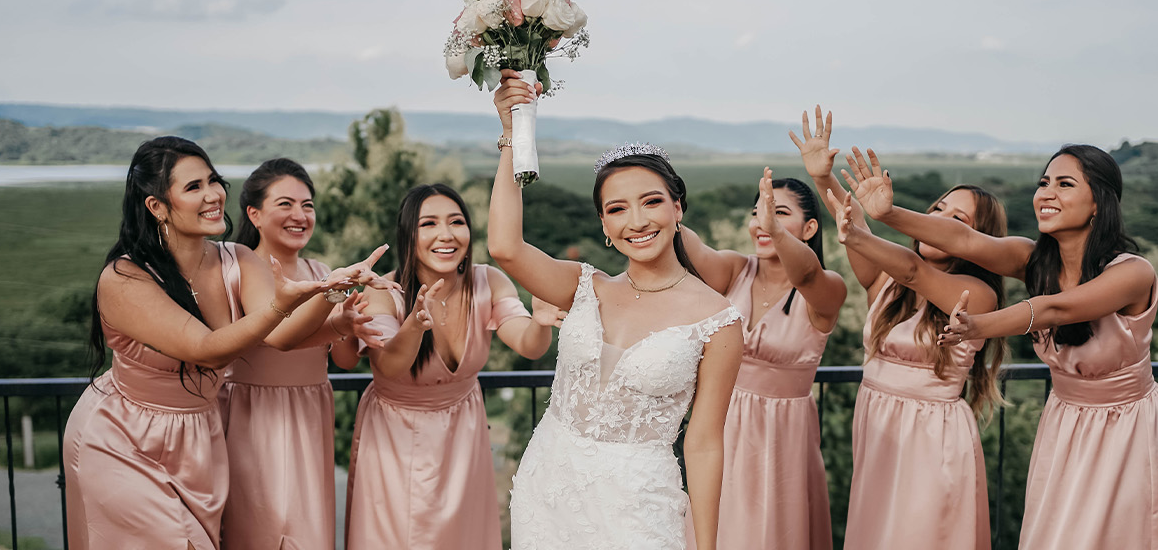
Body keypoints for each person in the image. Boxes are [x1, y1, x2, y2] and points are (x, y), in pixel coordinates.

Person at [853, 144, 1158, 549]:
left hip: (1129, 427)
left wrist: (979, 325)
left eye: (1065, 184)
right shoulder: (1034, 260)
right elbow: (964, 239)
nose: (1047, 193)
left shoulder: (1133, 272)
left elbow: (1057, 308)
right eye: (1044, 182)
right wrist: (887, 213)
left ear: (1099, 202)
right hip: (1065, 420)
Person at [63, 137, 364, 549]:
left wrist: (331, 291)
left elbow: (280, 336)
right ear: (156, 206)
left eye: (214, 180)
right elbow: (207, 348)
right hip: (124, 436)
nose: (213, 195)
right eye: (193, 187)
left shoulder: (238, 260)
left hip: (200, 437)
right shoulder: (124, 278)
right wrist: (282, 305)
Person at [488, 70, 744, 550]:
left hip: (639, 502)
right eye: (618, 209)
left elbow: (705, 443)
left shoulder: (718, 320)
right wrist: (511, 136)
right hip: (549, 484)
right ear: (605, 224)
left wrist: (707, 546)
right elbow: (504, 246)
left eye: (651, 202)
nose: (638, 221)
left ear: (677, 209)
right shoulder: (586, 287)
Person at [798, 109, 1009, 548]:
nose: (941, 221)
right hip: (876, 427)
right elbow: (850, 223)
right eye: (938, 209)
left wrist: (872, 225)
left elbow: (911, 268)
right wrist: (823, 179)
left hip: (932, 436)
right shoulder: (884, 282)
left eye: (959, 221)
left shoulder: (977, 294)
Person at [344, 182, 560, 549]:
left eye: (456, 221)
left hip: (464, 433)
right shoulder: (383, 291)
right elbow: (390, 366)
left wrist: (540, 322)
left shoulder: (488, 281)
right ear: (408, 234)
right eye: (428, 224)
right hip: (396, 435)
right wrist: (414, 324)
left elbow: (527, 344)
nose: (446, 234)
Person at [218, 158, 387, 550]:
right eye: (286, 204)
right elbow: (280, 337)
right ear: (254, 214)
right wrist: (333, 296)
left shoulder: (320, 270)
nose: (300, 215)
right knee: (256, 530)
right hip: (250, 415)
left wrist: (349, 324)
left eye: (307, 205)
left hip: (311, 411)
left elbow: (343, 361)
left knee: (308, 531)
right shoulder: (237, 269)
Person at [677, 166, 845, 550]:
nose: (762, 221)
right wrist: (660, 192)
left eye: (779, 212)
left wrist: (773, 227)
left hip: (781, 437)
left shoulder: (826, 288)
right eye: (757, 212)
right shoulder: (736, 269)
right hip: (719, 424)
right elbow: (689, 246)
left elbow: (805, 275)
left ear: (810, 229)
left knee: (771, 533)